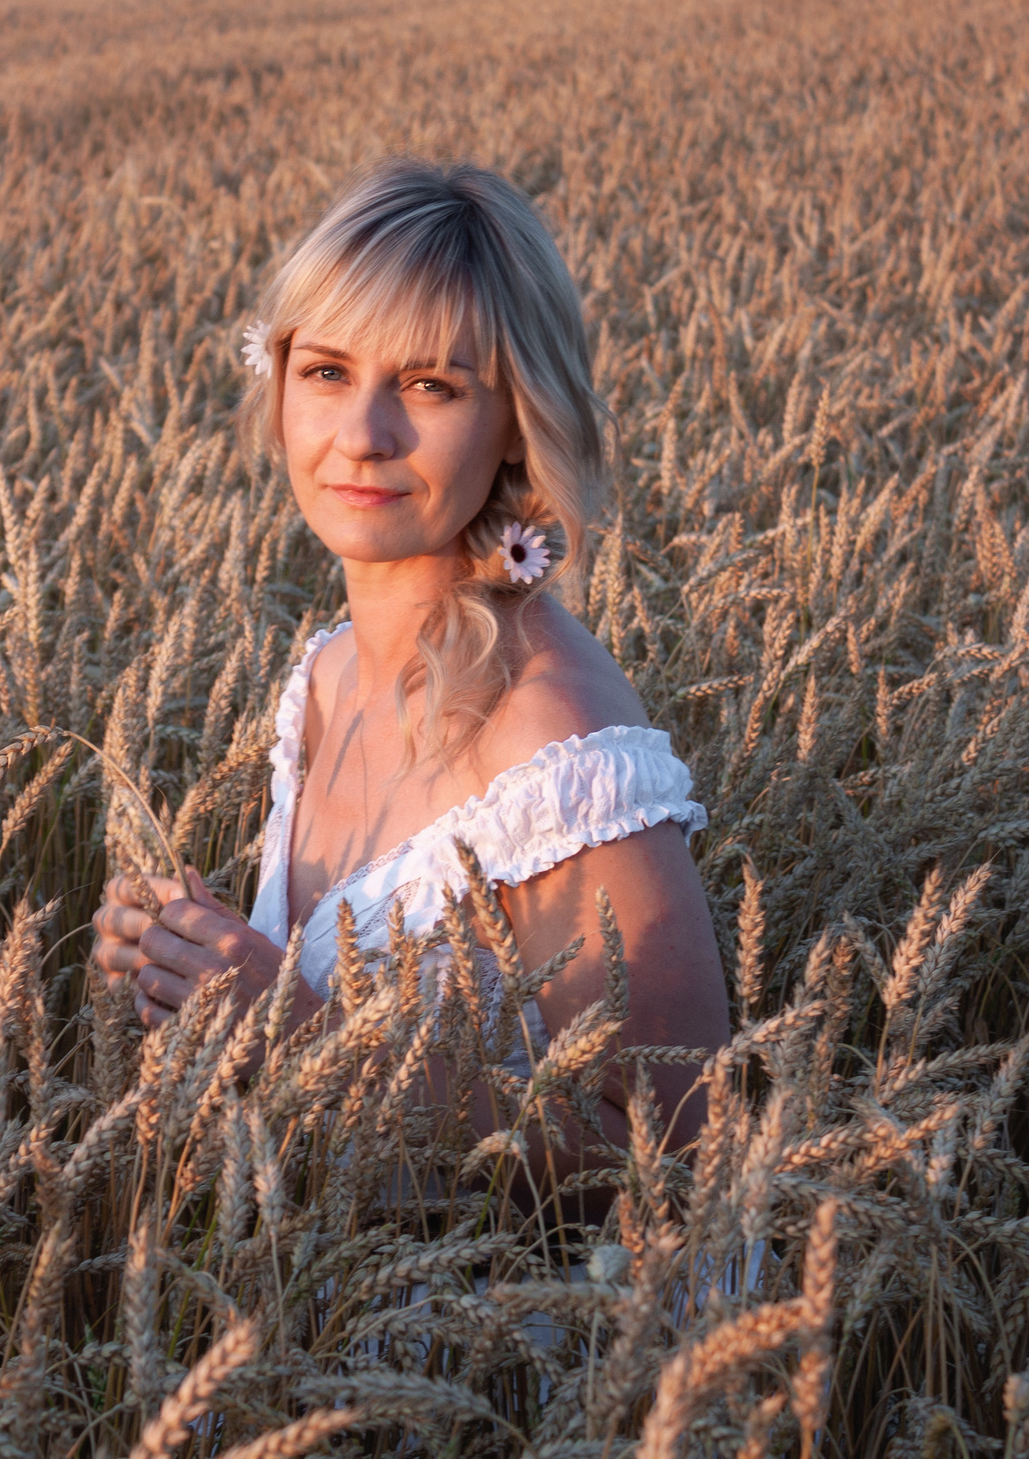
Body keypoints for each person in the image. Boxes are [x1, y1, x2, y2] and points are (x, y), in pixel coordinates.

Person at [88, 158, 729, 1192]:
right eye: (328, 371)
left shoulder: (554, 742)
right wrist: (175, 960)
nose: (362, 435)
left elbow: (686, 1158)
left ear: (519, 417)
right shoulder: (328, 675)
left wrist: (303, 1040)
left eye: (430, 386)